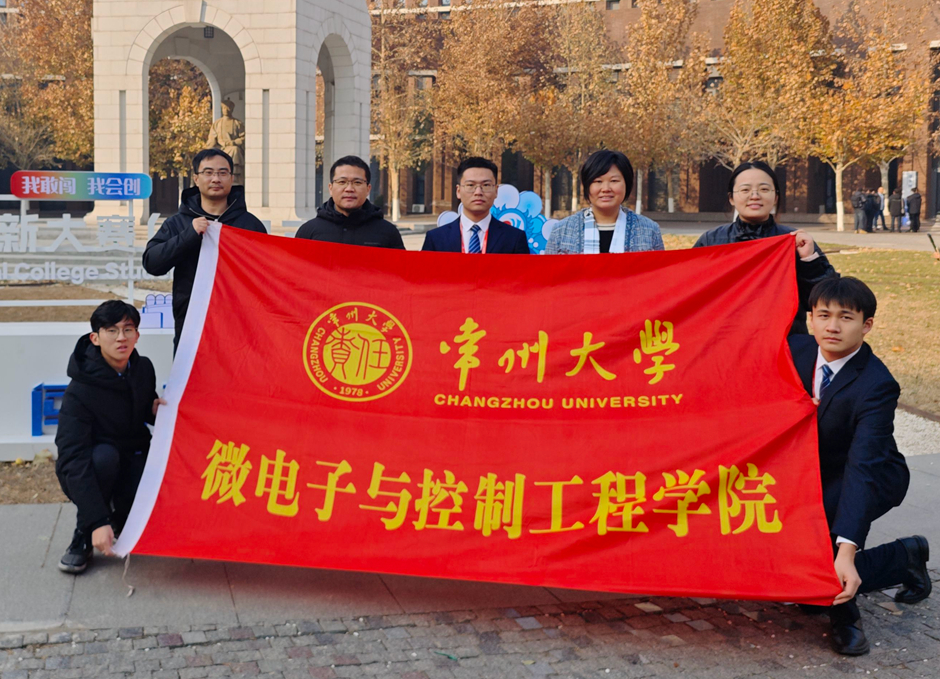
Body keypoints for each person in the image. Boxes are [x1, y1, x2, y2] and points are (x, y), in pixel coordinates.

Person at [789, 277, 930, 655]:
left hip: (873, 474)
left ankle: (845, 617)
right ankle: (903, 558)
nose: (833, 326)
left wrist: (847, 551)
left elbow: (863, 467)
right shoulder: (794, 350)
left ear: (866, 325)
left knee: (821, 539)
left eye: (846, 317)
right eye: (824, 316)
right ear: (811, 319)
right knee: (805, 582)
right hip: (815, 469)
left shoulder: (877, 385)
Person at [55, 301, 166, 574]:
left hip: (133, 456)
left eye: (128, 329)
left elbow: (140, 407)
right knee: (104, 458)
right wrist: (96, 521)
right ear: (95, 338)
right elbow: (72, 458)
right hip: (96, 465)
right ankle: (84, 533)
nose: (121, 338)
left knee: (157, 464)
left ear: (137, 335)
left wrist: (154, 410)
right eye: (111, 330)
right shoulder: (79, 390)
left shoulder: (143, 368)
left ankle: (120, 517)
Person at [693, 160, 837, 335]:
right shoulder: (712, 241)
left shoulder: (795, 241)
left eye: (764, 189)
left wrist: (809, 260)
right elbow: (691, 294)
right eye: (745, 190)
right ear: (731, 198)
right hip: (725, 339)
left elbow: (826, 299)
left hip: (785, 340)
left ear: (775, 197)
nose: (755, 196)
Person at [143, 149, 267, 351]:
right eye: (208, 172)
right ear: (196, 179)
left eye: (222, 173)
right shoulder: (179, 223)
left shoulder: (250, 225)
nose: (215, 179)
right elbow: (152, 263)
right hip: (192, 327)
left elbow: (266, 275)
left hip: (240, 329)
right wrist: (189, 235)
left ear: (231, 178)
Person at [544, 149, 663, 255]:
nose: (606, 189)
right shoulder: (561, 231)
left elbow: (659, 272)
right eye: (598, 181)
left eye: (614, 181)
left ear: (627, 184)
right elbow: (549, 272)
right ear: (587, 186)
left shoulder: (649, 230)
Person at [421, 157, 529, 254]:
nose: (478, 192)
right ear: (458, 191)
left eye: (486, 185)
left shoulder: (514, 238)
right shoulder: (435, 238)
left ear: (496, 191)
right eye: (470, 185)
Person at [295, 156, 404, 249]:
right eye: (342, 182)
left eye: (357, 182)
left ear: (368, 189)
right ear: (330, 188)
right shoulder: (309, 232)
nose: (349, 189)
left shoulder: (388, 232)